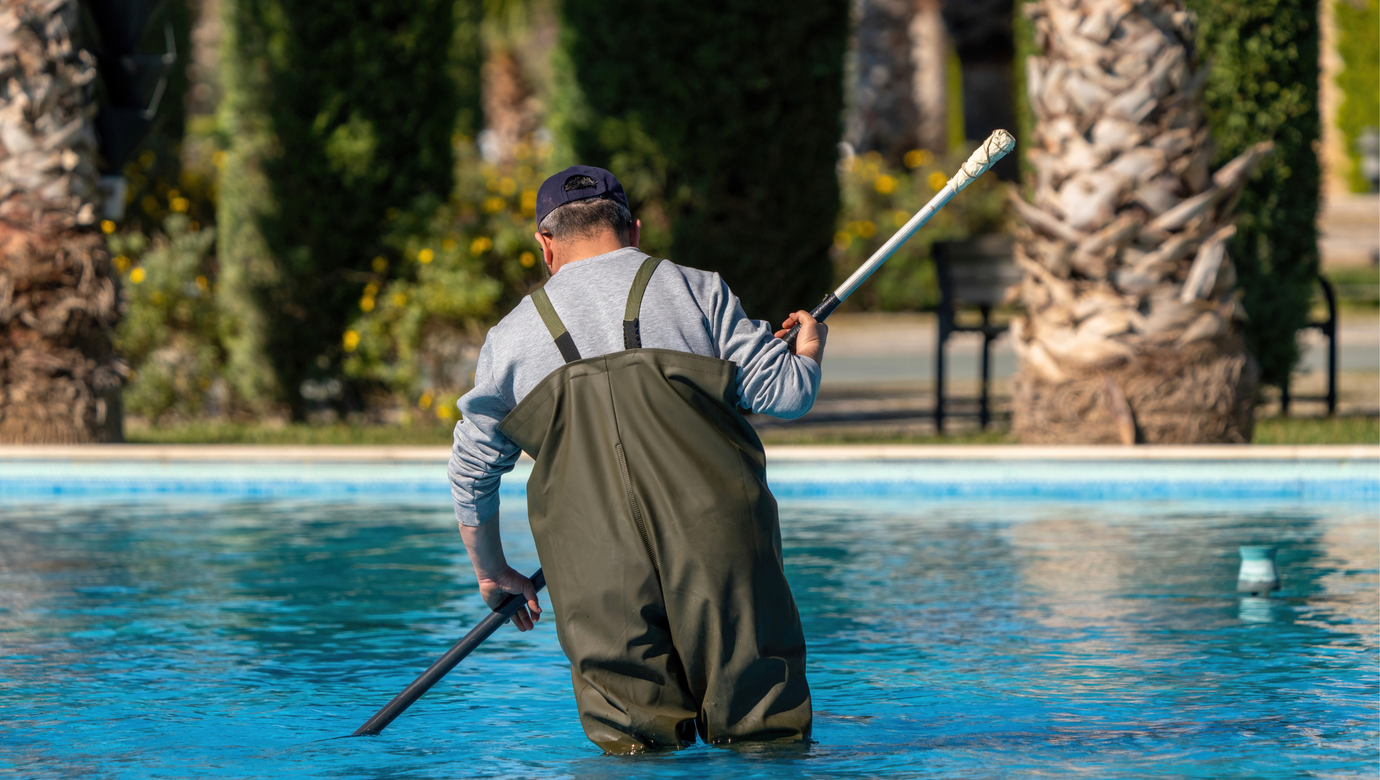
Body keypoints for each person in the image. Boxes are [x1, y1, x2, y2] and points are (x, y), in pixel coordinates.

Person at [448, 165, 827, 753]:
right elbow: (785, 395)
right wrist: (805, 350)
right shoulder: (696, 289)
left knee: (634, 750)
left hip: (594, 565)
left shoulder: (512, 337)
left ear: (546, 245)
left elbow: (471, 472)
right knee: (764, 734)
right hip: (720, 543)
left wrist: (493, 570)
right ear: (634, 230)